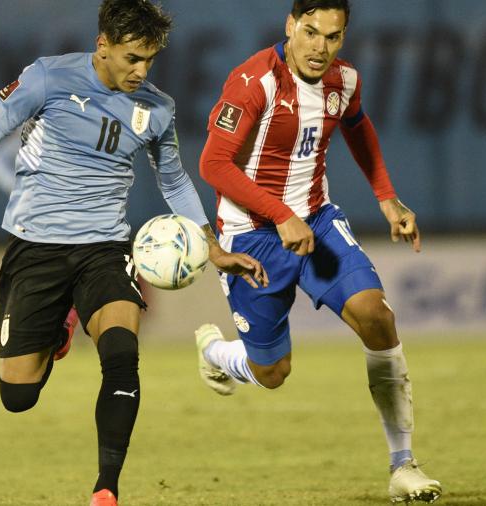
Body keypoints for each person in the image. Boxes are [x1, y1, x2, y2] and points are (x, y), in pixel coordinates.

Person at [0, 2, 267, 505]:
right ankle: (61, 326)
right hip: (35, 249)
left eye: (150, 60)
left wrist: (212, 247)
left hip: (106, 248)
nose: (141, 71)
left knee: (122, 355)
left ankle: (106, 488)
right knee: (17, 396)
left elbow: (173, 179)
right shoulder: (48, 78)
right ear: (103, 45)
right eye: (133, 58)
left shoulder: (156, 108)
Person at [192, 1, 442, 503]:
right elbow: (214, 164)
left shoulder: (344, 81)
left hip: (318, 222)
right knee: (272, 373)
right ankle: (217, 353)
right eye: (310, 32)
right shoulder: (254, 82)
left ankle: (403, 465)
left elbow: (359, 126)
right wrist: (279, 215)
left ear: (343, 37)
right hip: (251, 236)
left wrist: (387, 198)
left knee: (376, 315)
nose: (319, 48)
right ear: (290, 26)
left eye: (332, 37)